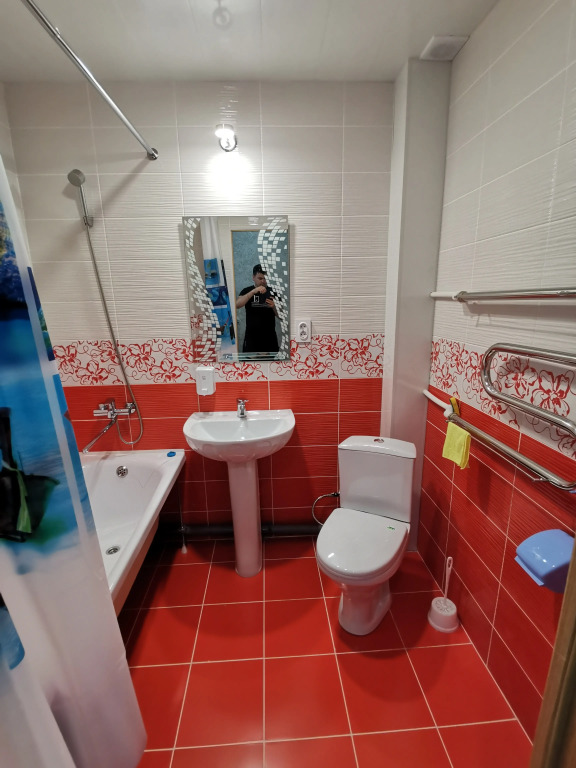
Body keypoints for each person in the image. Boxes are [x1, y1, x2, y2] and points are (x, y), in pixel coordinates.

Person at [235, 264, 279, 353]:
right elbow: (237, 305)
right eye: (260, 278)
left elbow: (281, 316)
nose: (263, 281)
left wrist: (274, 306)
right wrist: (253, 292)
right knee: (249, 362)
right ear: (253, 277)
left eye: (265, 278)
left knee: (272, 362)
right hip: (251, 339)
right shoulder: (247, 290)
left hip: (270, 339)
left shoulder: (273, 292)